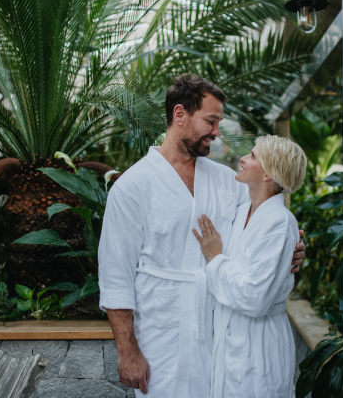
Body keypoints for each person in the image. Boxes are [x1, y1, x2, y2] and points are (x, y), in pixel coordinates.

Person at [98, 74, 306, 398]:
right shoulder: (132, 187)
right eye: (211, 121)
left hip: (219, 339)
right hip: (160, 338)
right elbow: (116, 278)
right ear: (180, 115)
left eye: (219, 122)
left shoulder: (227, 182)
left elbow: (255, 236)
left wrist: (291, 253)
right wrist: (127, 353)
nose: (217, 132)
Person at [192, 135, 307, 398]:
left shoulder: (278, 222)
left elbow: (256, 299)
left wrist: (216, 257)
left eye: (253, 157)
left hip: (259, 345)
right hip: (232, 341)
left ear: (269, 174)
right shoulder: (245, 210)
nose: (243, 158)